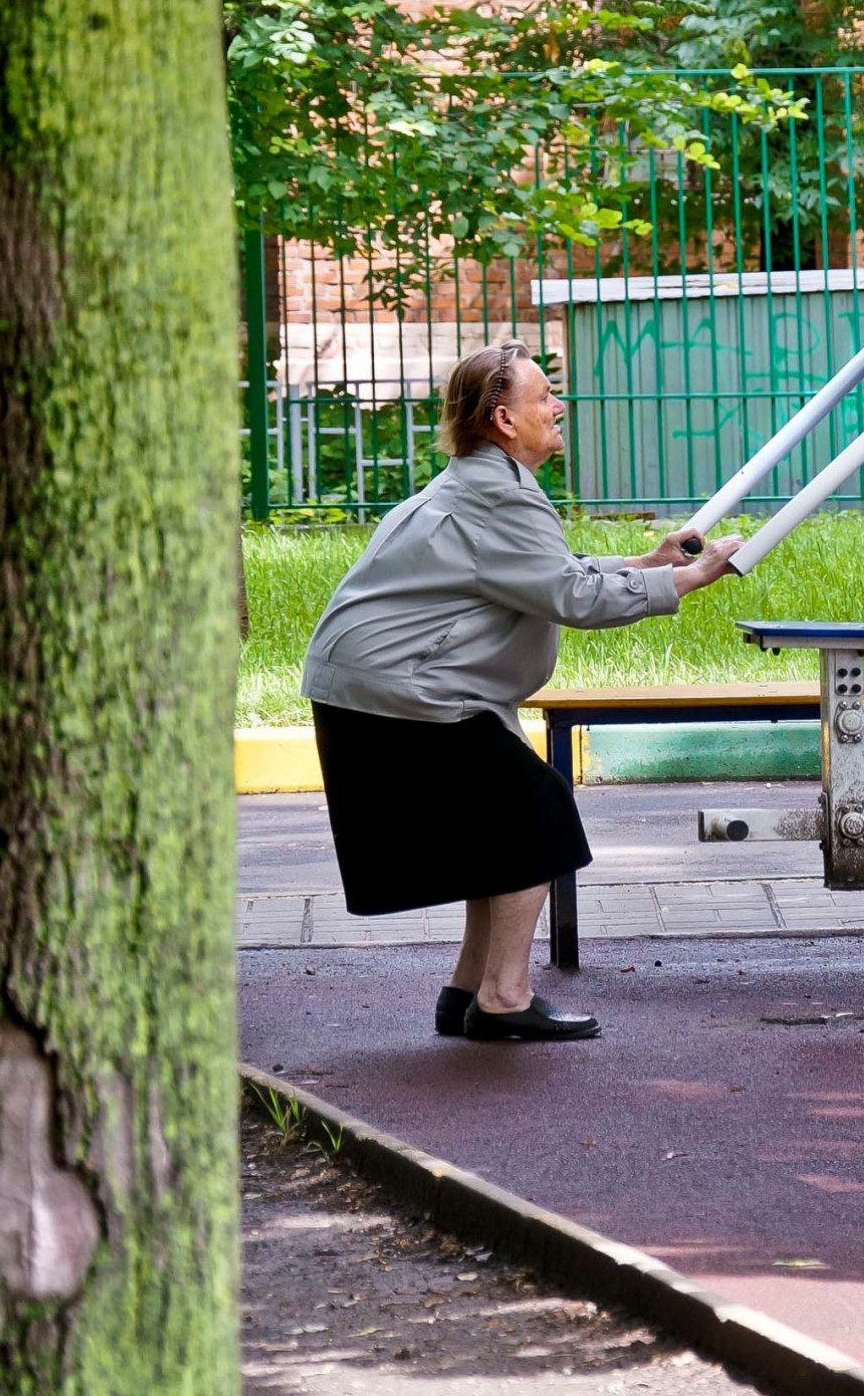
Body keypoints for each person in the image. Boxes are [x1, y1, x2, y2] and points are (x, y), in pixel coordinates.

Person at [302, 338, 742, 1043]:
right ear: (504, 420)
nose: (558, 405)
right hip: (397, 694)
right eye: (544, 397)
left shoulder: (483, 485)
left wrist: (640, 561)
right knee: (537, 812)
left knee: (499, 826)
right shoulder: (499, 495)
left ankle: (469, 989)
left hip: (377, 688)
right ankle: (504, 997)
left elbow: (536, 571)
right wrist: (686, 577)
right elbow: (571, 595)